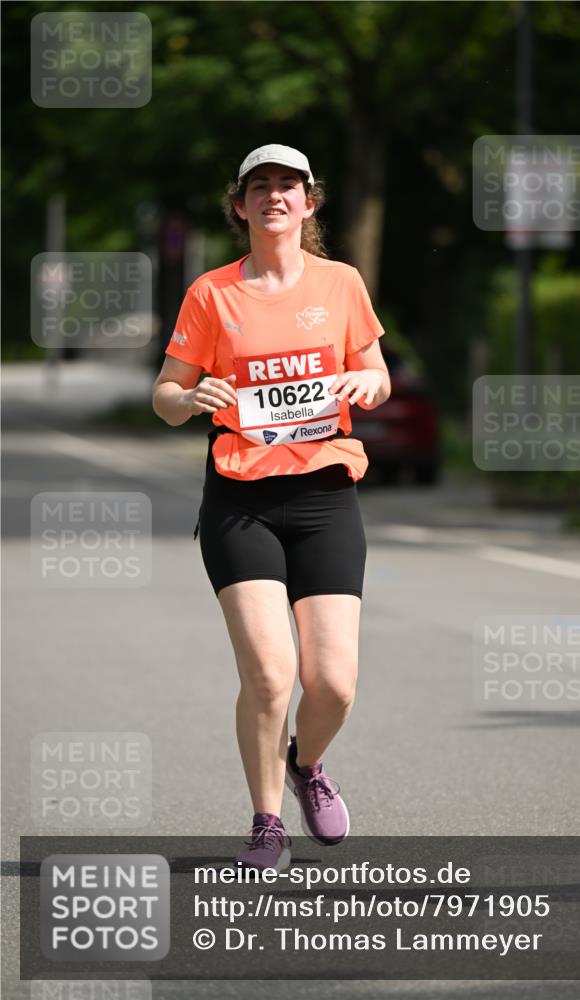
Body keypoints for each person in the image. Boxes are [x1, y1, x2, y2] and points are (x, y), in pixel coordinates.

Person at [152, 143, 390, 872]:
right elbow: (164, 395)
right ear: (240, 204)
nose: (274, 196)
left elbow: (375, 371)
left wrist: (365, 388)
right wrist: (191, 399)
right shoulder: (212, 294)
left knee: (334, 684)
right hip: (240, 502)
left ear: (309, 204)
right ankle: (265, 823)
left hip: (324, 496)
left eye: (289, 186)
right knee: (268, 673)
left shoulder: (341, 282)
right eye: (260, 186)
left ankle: (306, 763)